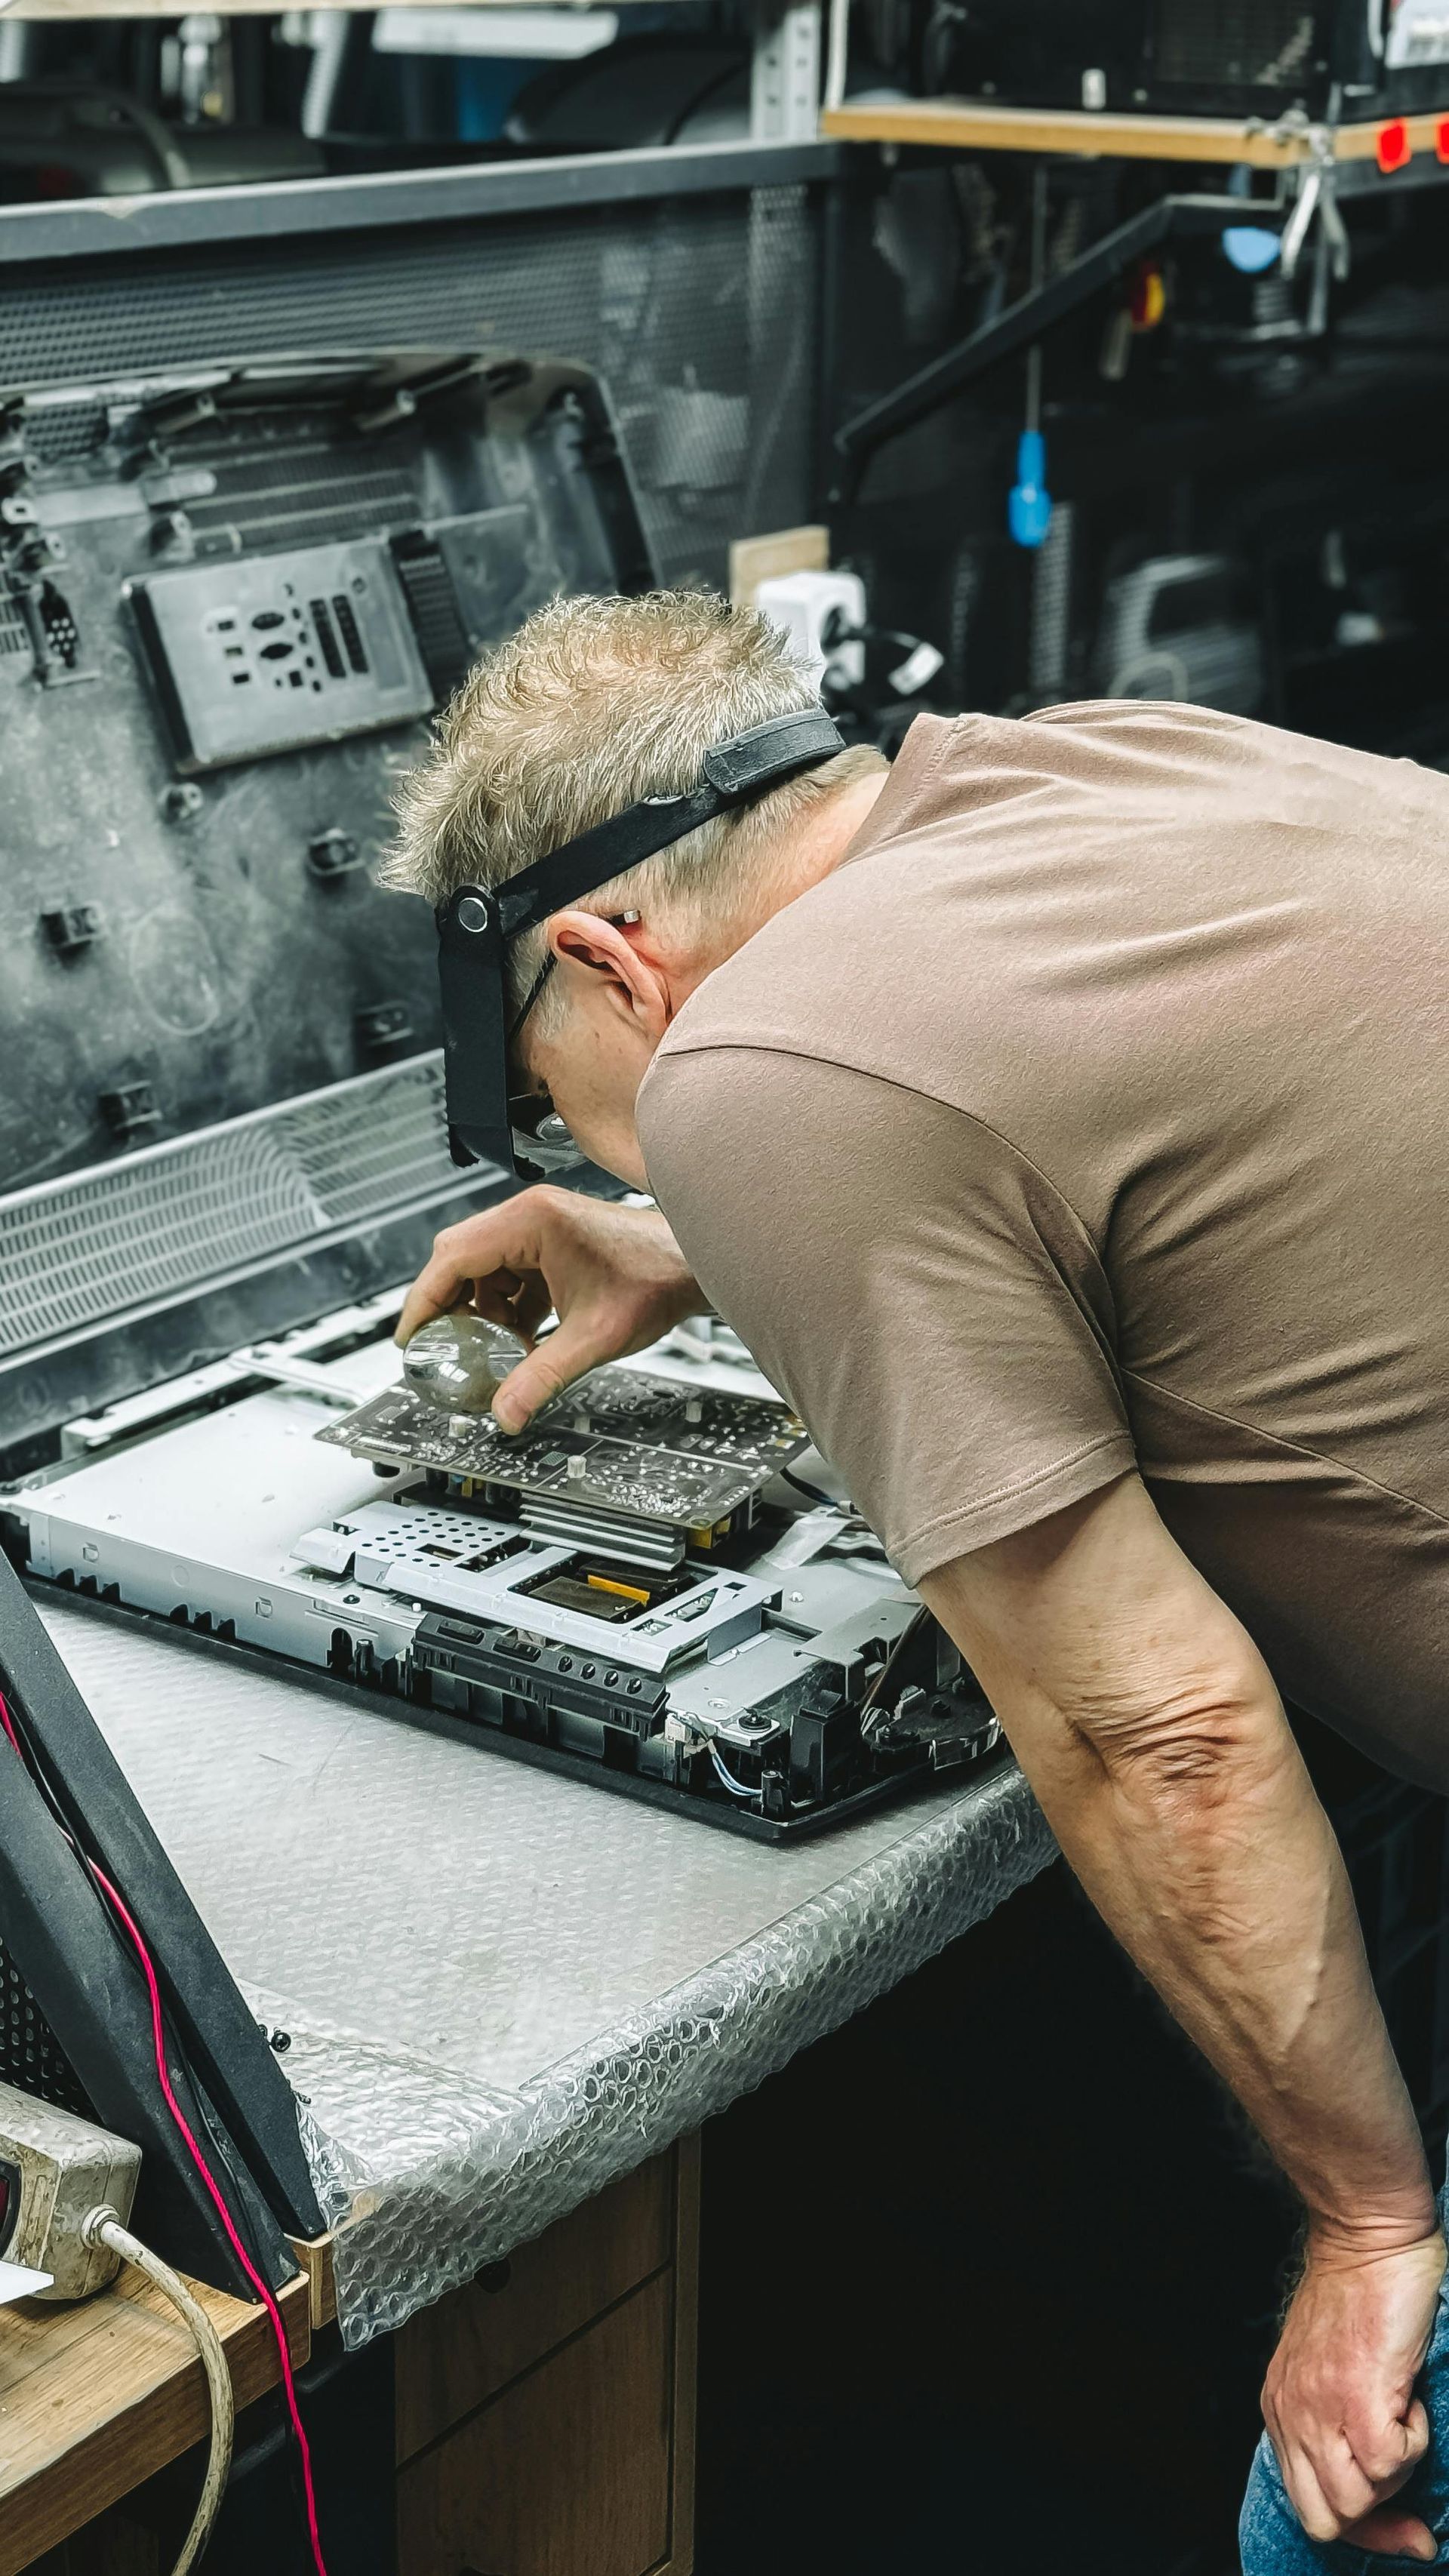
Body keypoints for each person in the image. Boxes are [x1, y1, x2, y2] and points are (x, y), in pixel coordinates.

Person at [386, 588, 1449, 2568]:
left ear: (610, 958)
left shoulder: (759, 1071)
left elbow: (1161, 1735)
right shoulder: (1097, 765)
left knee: (1338, 2516)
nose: (605, 1160)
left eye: (555, 1108)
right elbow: (1133, 1103)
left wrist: (1372, 2226)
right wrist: (712, 1239)